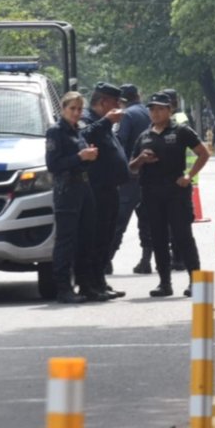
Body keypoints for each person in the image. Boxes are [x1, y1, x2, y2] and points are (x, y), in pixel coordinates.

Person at [129, 92, 210, 297]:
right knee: (158, 238)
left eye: (160, 109)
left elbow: (203, 153)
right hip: (151, 193)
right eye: (152, 109)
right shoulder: (144, 135)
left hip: (176, 192)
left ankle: (196, 281)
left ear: (169, 110)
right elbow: (131, 167)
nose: (155, 113)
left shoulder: (181, 131)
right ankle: (164, 283)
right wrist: (141, 159)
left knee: (183, 237)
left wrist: (189, 175)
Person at [45, 92, 100, 304]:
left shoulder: (78, 130)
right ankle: (63, 288)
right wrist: (79, 156)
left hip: (83, 187)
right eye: (72, 109)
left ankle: (85, 285)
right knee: (66, 240)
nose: (76, 113)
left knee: (86, 238)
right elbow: (53, 164)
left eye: (79, 109)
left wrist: (90, 156)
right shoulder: (56, 131)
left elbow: (81, 159)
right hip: (66, 189)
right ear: (63, 109)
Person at [80, 83, 127, 298]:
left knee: (107, 237)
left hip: (110, 188)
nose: (118, 107)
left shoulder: (105, 125)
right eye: (115, 102)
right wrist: (106, 120)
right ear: (103, 102)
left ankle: (100, 281)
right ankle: (90, 284)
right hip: (95, 190)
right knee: (95, 237)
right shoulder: (87, 119)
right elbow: (83, 137)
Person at [109, 84, 153, 274]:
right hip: (150, 175)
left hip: (131, 174)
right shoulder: (149, 112)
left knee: (119, 220)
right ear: (139, 95)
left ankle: (105, 259)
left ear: (122, 100)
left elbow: (120, 142)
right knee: (147, 219)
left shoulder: (127, 115)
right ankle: (146, 259)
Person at [162, 88, 191, 272]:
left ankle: (179, 257)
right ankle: (178, 256)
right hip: (184, 175)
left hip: (181, 175)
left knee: (177, 223)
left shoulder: (177, 121)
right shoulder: (183, 117)